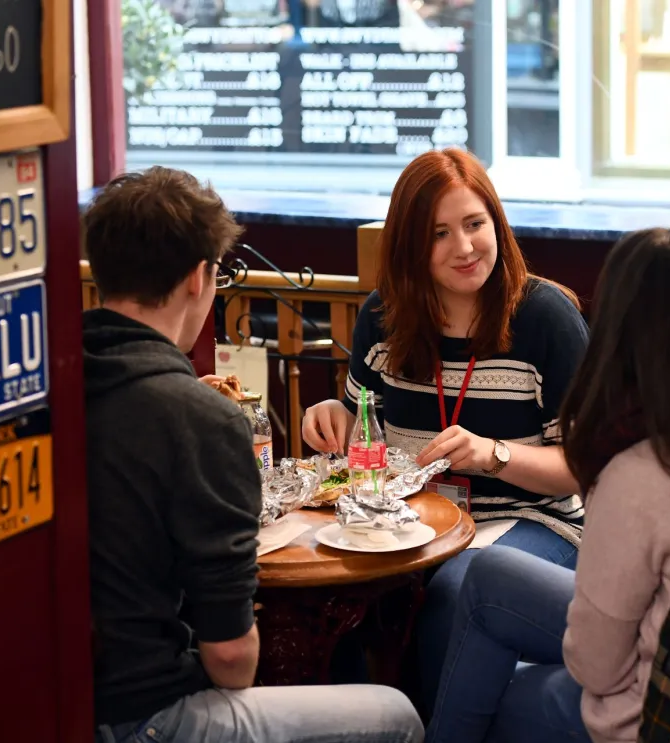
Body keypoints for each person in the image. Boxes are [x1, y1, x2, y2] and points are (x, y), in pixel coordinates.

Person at [83, 166, 424, 743]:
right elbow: (233, 662)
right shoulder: (202, 419)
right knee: (397, 715)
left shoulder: (49, 389)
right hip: (146, 716)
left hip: (57, 695)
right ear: (199, 278)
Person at [301, 148, 588, 706]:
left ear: (496, 225)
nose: (464, 247)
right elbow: (365, 432)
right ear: (411, 245)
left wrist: (492, 455)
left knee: (454, 593)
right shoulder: (383, 316)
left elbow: (579, 469)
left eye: (475, 224)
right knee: (334, 600)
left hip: (532, 522)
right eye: (439, 233)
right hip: (413, 523)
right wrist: (337, 418)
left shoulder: (546, 318)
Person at [424, 227, 670, 743]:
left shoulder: (642, 473)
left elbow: (599, 668)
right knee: (487, 576)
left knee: (496, 695)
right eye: (441, 233)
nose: (463, 246)